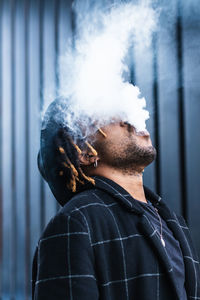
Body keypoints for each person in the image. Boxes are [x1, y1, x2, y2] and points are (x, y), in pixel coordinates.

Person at [32, 98, 200, 300]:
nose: (127, 118)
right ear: (85, 152)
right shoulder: (76, 221)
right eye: (103, 115)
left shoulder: (172, 220)